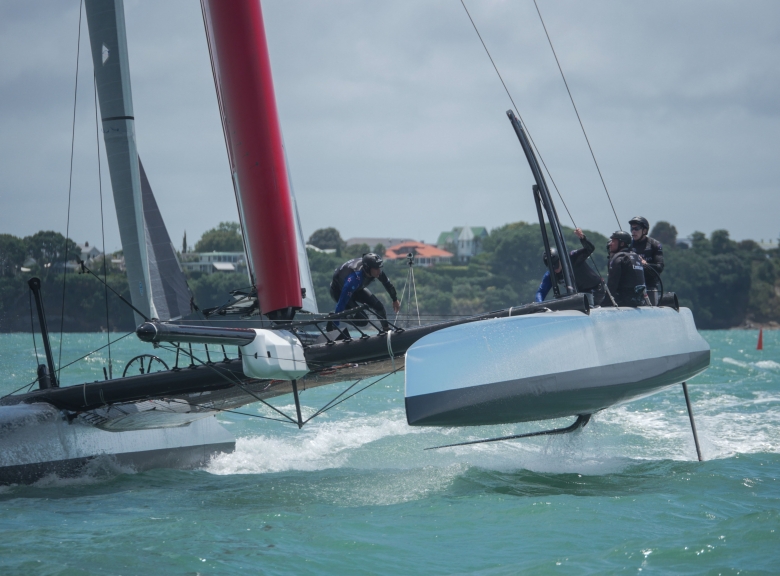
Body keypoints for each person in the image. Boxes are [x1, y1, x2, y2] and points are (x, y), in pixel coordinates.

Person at [329, 253, 401, 332]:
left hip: (357, 289)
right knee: (363, 320)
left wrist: (394, 299)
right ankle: (334, 317)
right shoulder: (354, 279)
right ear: (368, 268)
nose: (379, 271)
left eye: (379, 268)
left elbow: (388, 284)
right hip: (339, 292)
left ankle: (386, 329)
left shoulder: (375, 271)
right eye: (376, 268)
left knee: (379, 307)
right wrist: (335, 324)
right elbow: (341, 303)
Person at [535, 228, 606, 306]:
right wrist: (539, 304)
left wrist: (583, 238)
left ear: (560, 259)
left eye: (556, 265)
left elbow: (590, 249)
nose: (556, 270)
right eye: (552, 268)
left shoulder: (572, 257)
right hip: (581, 295)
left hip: (597, 290)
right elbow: (541, 292)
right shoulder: (550, 275)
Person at [628, 216, 664, 305]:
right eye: (632, 228)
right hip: (633, 286)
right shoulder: (629, 246)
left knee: (652, 307)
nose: (633, 231)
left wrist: (646, 264)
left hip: (650, 285)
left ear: (644, 231)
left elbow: (660, 267)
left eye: (636, 229)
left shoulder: (654, 245)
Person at [606, 230, 647, 307]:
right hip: (640, 301)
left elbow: (612, 285)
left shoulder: (619, 258)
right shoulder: (636, 257)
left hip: (624, 302)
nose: (610, 244)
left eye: (613, 241)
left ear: (622, 244)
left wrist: (604, 303)